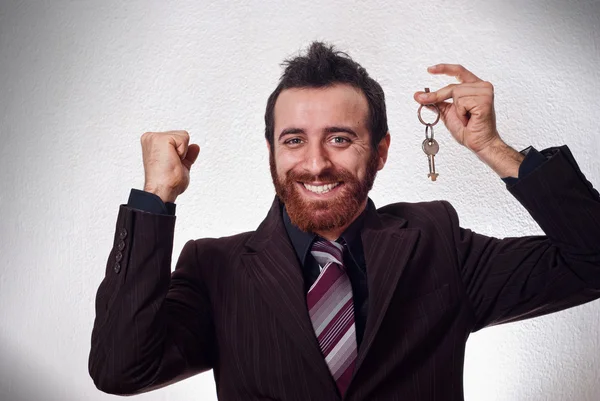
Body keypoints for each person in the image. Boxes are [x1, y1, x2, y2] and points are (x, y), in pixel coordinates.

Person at [88, 41, 600, 401]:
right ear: (271, 150)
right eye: (294, 140)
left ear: (379, 152)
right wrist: (156, 198)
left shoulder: (436, 242)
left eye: (340, 138)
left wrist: (492, 147)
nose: (314, 164)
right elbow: (121, 370)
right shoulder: (214, 267)